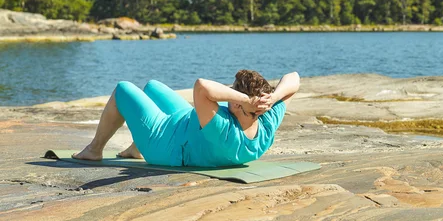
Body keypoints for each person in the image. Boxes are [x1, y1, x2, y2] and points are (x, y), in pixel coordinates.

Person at [72, 70, 300, 167]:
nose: (230, 91)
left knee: (123, 89)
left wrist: (243, 97)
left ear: (241, 104)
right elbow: (294, 78)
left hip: (164, 142)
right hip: (185, 125)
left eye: (235, 92)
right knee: (153, 86)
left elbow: (202, 86)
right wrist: (274, 97)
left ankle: (94, 149)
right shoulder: (267, 121)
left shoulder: (224, 131)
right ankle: (134, 149)